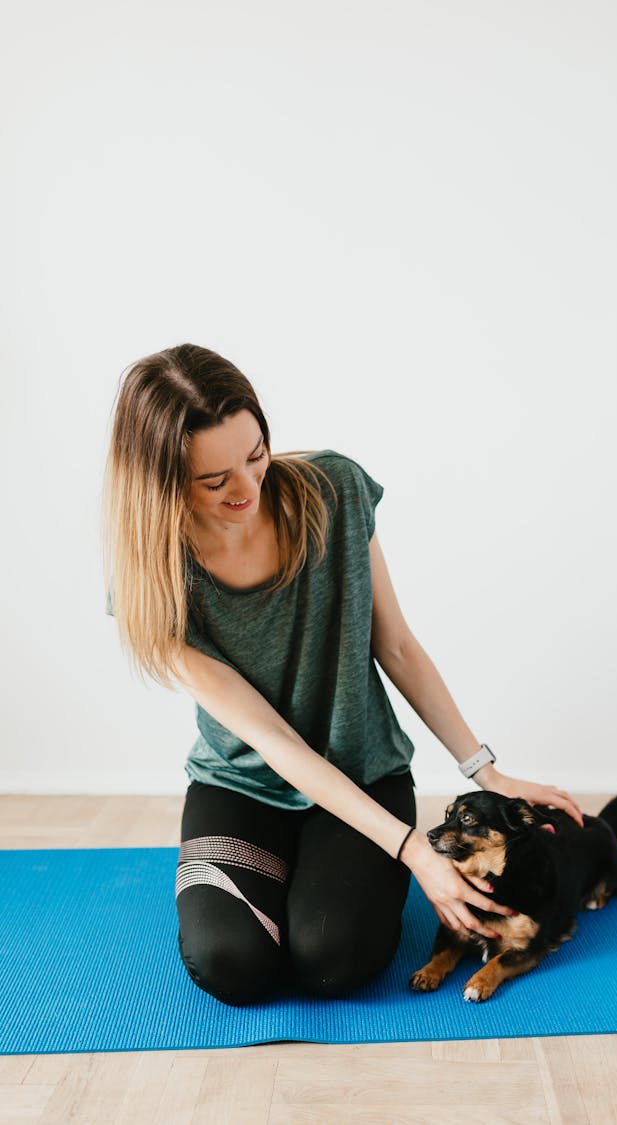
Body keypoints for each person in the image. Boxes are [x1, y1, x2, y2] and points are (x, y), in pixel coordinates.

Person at [102, 343, 584, 1006]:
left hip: (364, 771)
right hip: (243, 785)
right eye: (215, 481)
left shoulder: (335, 490)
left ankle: (314, 881)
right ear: (161, 483)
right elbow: (275, 741)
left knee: (333, 962)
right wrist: (416, 852)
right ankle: (276, 876)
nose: (246, 488)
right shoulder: (155, 583)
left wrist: (485, 770)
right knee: (230, 966)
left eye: (255, 456)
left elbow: (399, 646)